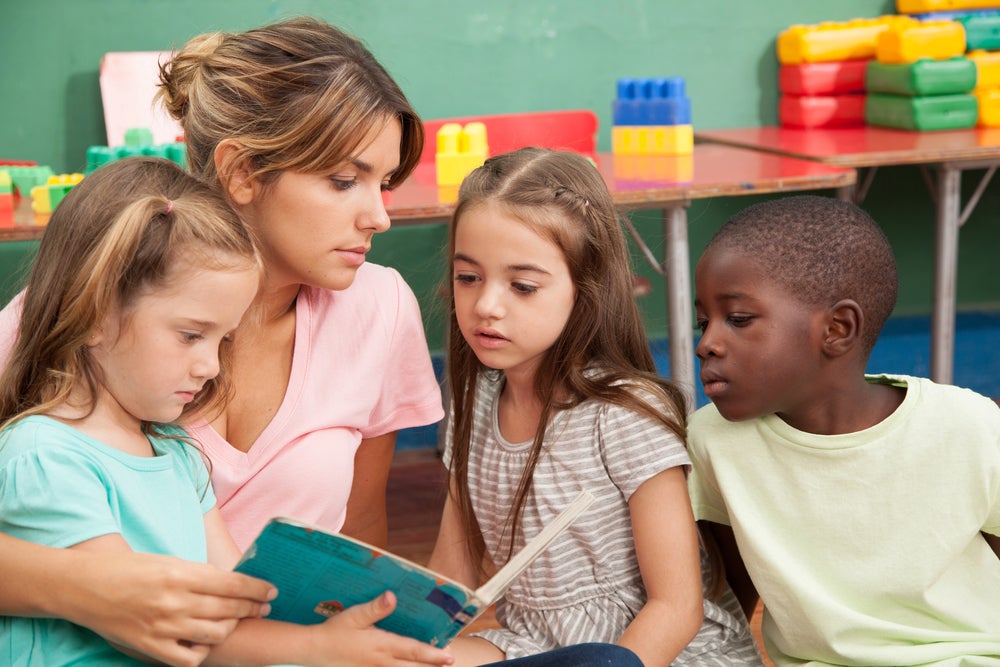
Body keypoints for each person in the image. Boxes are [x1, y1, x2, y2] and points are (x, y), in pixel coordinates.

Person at [0, 156, 457, 667]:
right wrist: (319, 649)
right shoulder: (44, 458)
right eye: (192, 335)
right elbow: (146, 624)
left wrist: (341, 632)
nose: (210, 366)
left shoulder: (175, 451)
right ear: (96, 315)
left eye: (223, 339)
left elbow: (235, 594)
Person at [427, 148, 763, 667]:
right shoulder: (475, 405)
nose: (486, 305)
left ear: (584, 292)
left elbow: (675, 609)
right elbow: (452, 580)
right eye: (468, 277)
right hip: (536, 645)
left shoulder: (625, 415)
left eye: (522, 286)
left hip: (652, 655)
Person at [687, 194, 1000, 666]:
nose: (706, 344)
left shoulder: (967, 426)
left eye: (738, 319)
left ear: (837, 329)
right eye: (703, 322)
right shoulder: (714, 442)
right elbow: (729, 605)